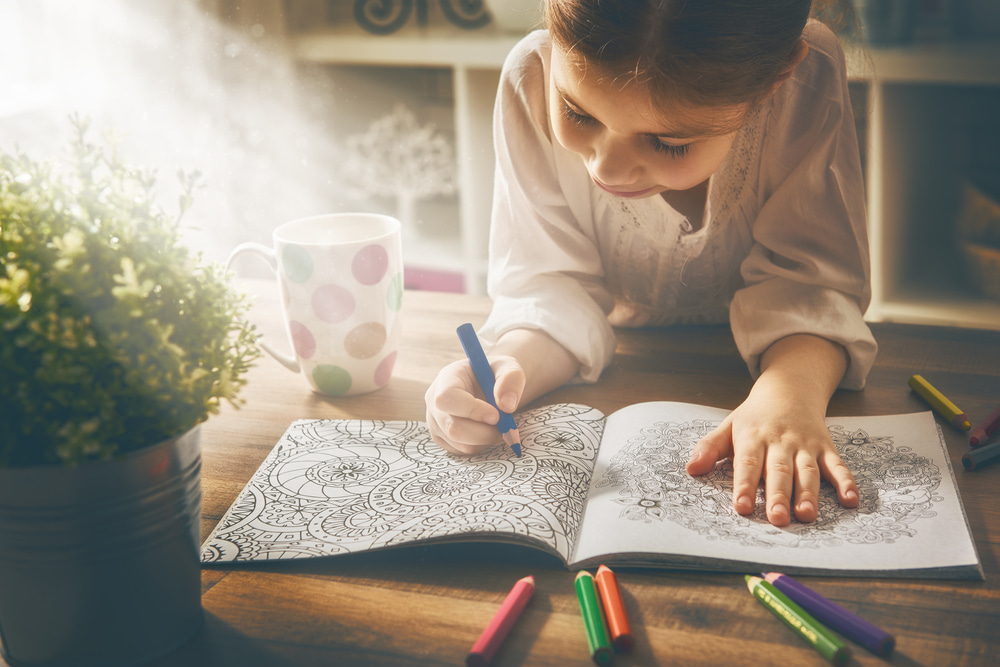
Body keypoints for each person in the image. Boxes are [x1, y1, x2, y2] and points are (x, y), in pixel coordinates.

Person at [424, 0, 877, 528]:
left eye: (669, 142)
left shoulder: (808, 74)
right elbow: (551, 288)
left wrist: (790, 392)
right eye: (577, 112)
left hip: (779, 362)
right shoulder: (532, 75)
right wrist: (509, 366)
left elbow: (812, 283)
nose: (605, 166)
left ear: (777, 78)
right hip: (628, 365)